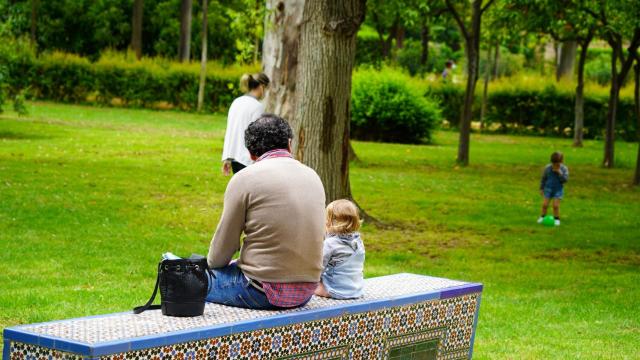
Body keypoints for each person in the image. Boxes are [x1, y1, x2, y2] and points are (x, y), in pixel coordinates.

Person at [206, 114, 326, 309]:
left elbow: (221, 251)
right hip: (306, 292)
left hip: (261, 291)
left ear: (251, 154)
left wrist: (209, 269)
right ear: (289, 144)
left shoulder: (244, 178)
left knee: (182, 274)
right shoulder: (313, 176)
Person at [314, 199, 365, 300]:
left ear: (330, 223)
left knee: (310, 287)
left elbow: (318, 268)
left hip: (335, 290)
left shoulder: (330, 244)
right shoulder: (358, 242)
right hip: (356, 290)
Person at [221, 73, 270, 176]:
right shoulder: (257, 106)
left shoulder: (236, 102)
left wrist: (227, 157)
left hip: (235, 158)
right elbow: (257, 135)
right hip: (248, 161)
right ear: (262, 87)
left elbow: (230, 131)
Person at [538, 152, 569, 226]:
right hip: (548, 189)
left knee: (555, 206)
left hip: (558, 190)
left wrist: (559, 173)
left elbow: (565, 180)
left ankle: (556, 219)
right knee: (544, 205)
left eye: (557, 164)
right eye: (554, 163)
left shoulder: (564, 169)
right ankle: (542, 216)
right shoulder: (547, 168)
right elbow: (544, 179)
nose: (555, 165)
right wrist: (541, 188)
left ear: (561, 162)